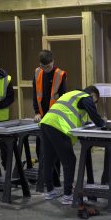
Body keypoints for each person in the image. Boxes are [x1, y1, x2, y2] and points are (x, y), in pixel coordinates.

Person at [40, 86, 105, 205]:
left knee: (50, 158)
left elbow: (73, 114)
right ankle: (68, 195)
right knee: (70, 160)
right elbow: (95, 116)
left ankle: (49, 191)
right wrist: (103, 124)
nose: (94, 103)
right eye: (95, 101)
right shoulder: (85, 97)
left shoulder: (71, 94)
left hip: (46, 123)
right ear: (92, 94)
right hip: (58, 126)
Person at [33, 49, 67, 187]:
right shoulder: (37, 73)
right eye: (43, 66)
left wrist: (56, 117)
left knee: (55, 149)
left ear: (53, 62)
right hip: (41, 117)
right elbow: (35, 94)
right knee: (40, 148)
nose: (46, 69)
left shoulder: (60, 74)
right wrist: (36, 112)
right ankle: (45, 177)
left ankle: (55, 179)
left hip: (55, 118)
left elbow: (63, 97)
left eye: (48, 67)